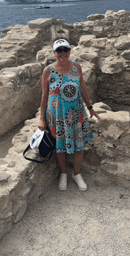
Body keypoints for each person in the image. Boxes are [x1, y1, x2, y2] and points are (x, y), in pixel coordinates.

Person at [39, 38, 100, 191]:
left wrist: (90, 108)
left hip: (76, 113)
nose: (63, 53)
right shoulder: (48, 70)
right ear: (54, 52)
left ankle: (77, 174)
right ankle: (64, 173)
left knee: (79, 146)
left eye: (65, 50)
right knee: (60, 147)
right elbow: (44, 96)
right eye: (59, 50)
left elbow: (83, 89)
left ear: (69, 51)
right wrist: (41, 118)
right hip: (57, 116)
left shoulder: (76, 68)